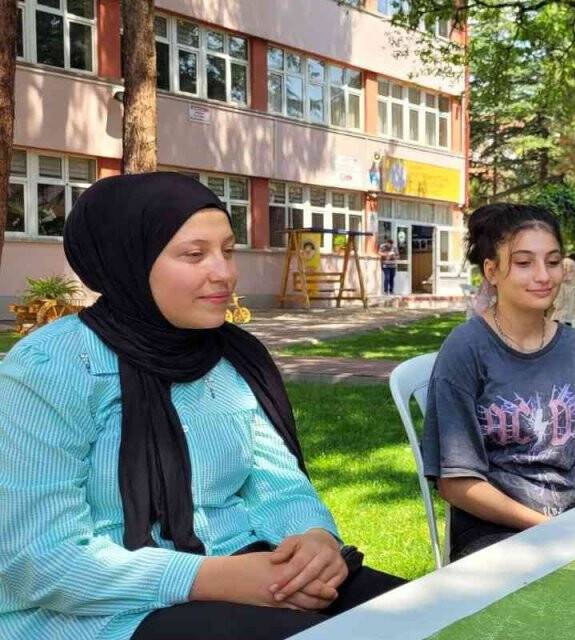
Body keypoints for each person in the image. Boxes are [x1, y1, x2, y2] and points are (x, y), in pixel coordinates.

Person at [0, 173, 404, 640]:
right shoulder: (52, 368)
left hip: (250, 564)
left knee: (430, 617)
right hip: (101, 611)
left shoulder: (231, 355)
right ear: (128, 259)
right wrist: (213, 580)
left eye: (228, 251)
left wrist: (314, 541)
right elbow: (35, 557)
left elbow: (279, 483)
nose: (225, 273)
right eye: (195, 255)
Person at [422, 203, 575, 561]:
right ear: (492, 271)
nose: (543, 275)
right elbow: (456, 482)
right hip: (495, 529)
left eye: (554, 261)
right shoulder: (466, 349)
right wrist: (548, 530)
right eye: (525, 263)